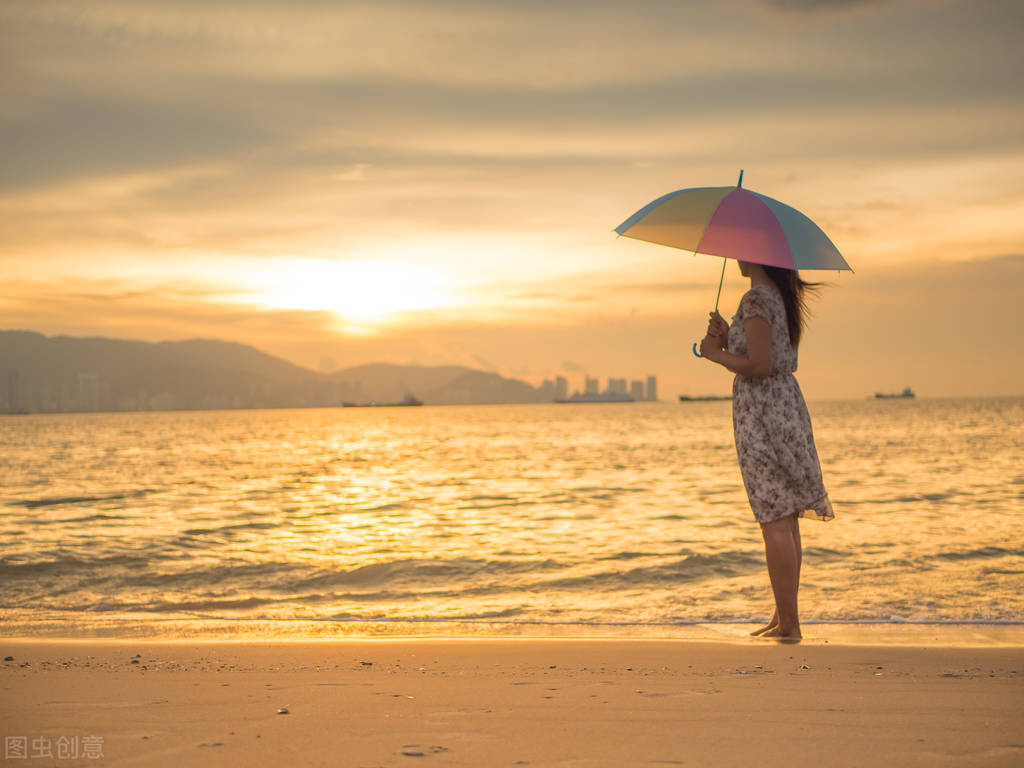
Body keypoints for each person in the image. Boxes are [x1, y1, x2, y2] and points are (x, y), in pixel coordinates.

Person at [699, 260, 833, 642]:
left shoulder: (757, 299)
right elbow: (762, 355)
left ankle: (789, 624)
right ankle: (783, 616)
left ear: (754, 255)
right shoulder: (778, 297)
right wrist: (728, 338)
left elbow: (758, 365)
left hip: (764, 415)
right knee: (785, 517)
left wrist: (713, 353)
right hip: (782, 409)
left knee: (774, 517)